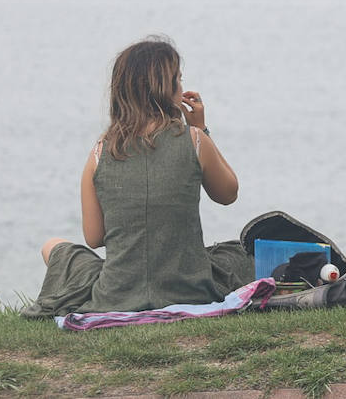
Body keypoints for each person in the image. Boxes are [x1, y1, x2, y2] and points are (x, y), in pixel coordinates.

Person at [22, 36, 255, 318]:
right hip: (191, 288)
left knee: (52, 247)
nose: (182, 88)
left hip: (116, 293)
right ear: (165, 89)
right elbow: (228, 194)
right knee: (240, 252)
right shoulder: (194, 141)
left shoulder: (99, 153)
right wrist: (201, 130)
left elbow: (95, 238)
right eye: (178, 80)